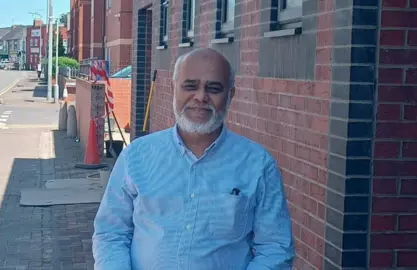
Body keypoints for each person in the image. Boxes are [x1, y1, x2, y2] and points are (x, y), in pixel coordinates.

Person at [92, 48, 295, 270]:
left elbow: (275, 248)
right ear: (173, 88)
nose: (200, 97)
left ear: (231, 95)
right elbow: (111, 232)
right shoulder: (136, 156)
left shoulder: (258, 165)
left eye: (214, 88)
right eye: (190, 86)